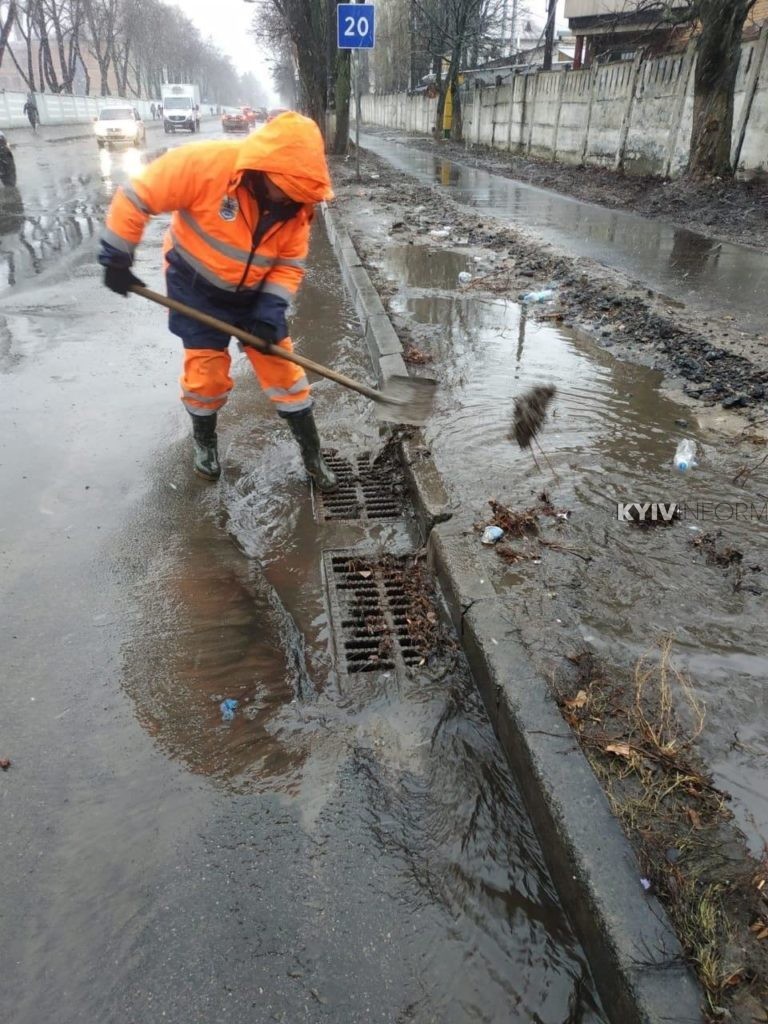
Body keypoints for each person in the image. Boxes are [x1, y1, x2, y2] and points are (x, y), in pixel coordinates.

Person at [98, 111, 338, 491]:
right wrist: (117, 255)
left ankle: (312, 454)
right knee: (206, 376)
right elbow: (137, 195)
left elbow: (289, 264)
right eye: (285, 190)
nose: (290, 200)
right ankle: (205, 444)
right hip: (196, 287)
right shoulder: (205, 165)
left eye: (298, 194)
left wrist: (270, 309)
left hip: (254, 294)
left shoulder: (297, 207)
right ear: (263, 169)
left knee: (285, 372)